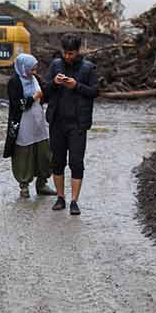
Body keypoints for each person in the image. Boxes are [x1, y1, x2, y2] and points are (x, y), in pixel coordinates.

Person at [42, 33, 98, 216]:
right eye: (65, 53)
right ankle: (60, 197)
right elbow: (44, 90)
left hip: (78, 124)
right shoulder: (56, 65)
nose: (68, 56)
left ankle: (74, 201)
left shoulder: (88, 68)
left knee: (76, 162)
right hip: (57, 121)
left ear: (78, 51)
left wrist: (77, 86)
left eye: (71, 53)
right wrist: (54, 83)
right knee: (57, 162)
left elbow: (95, 92)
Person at [5, 53, 56, 199]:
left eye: (35, 69)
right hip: (22, 125)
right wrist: (33, 97)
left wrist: (56, 83)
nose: (34, 72)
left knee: (44, 153)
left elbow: (46, 91)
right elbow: (17, 104)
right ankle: (24, 186)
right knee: (23, 155)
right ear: (23, 68)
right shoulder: (14, 82)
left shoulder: (36, 79)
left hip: (39, 123)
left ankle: (42, 184)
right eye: (31, 69)